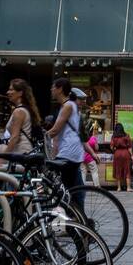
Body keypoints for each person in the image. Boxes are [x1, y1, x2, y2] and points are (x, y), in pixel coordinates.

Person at [46, 78, 86, 210]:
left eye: (53, 87)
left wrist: (42, 136)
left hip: (69, 152)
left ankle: (75, 217)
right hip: (70, 151)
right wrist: (53, 153)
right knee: (74, 188)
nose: (51, 90)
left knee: (63, 188)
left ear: (60, 89)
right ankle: (79, 219)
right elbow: (57, 136)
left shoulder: (68, 105)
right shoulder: (66, 106)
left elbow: (55, 130)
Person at [0, 79, 41, 161]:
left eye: (11, 90)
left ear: (20, 93)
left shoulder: (19, 111)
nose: (8, 92)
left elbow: (15, 137)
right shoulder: (24, 109)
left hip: (20, 153)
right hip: (23, 151)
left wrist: (2, 159)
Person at [110, 123, 133, 193]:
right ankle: (128, 187)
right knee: (127, 169)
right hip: (125, 153)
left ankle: (119, 188)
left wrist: (115, 149)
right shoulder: (126, 135)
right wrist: (132, 155)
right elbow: (129, 147)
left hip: (117, 153)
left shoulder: (114, 137)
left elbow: (111, 147)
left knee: (118, 169)